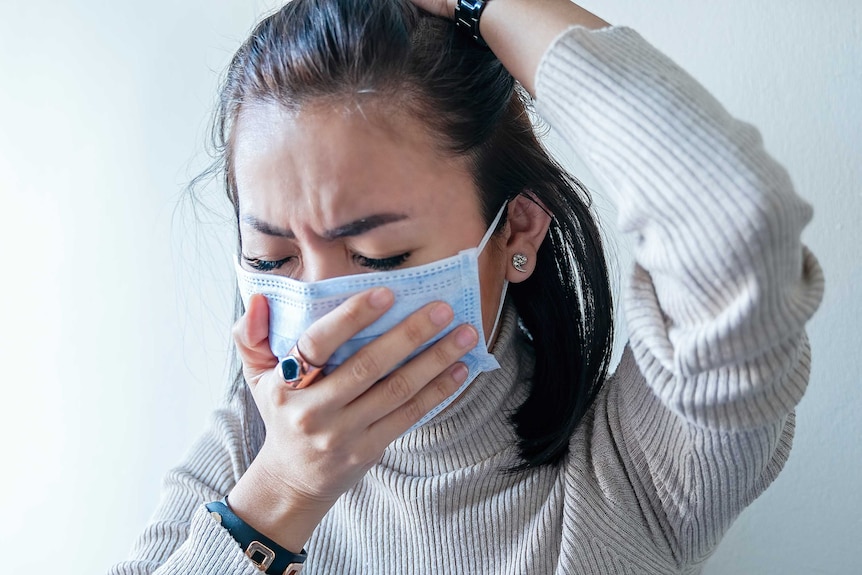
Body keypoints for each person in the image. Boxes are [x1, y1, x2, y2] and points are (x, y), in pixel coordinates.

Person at [110, 0, 824, 573]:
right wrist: (278, 497)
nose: (325, 305)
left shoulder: (636, 473)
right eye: (270, 259)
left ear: (516, 232)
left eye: (377, 254)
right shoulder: (246, 449)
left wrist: (486, 2)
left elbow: (737, 220)